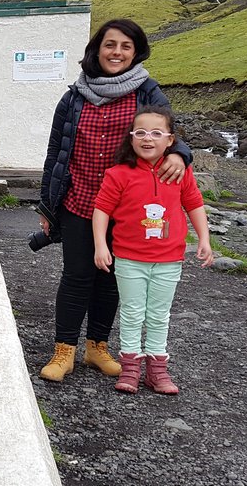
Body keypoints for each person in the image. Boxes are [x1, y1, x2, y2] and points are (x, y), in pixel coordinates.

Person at [37, 18, 193, 383]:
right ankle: (64, 353)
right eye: (110, 45)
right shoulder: (73, 97)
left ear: (135, 51)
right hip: (78, 203)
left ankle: (97, 349)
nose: (117, 52)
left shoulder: (147, 92)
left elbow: (171, 132)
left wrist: (180, 155)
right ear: (97, 49)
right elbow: (55, 152)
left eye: (125, 46)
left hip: (127, 209)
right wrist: (47, 205)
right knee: (76, 276)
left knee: (109, 279)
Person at [92, 106, 214, 394]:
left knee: (159, 315)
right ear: (131, 138)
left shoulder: (179, 171)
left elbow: (194, 204)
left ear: (170, 140)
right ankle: (131, 368)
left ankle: (157, 371)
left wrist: (204, 240)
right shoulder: (118, 174)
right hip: (129, 259)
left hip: (169, 260)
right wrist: (100, 245)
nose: (149, 139)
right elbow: (102, 210)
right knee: (133, 312)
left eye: (157, 133)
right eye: (141, 133)